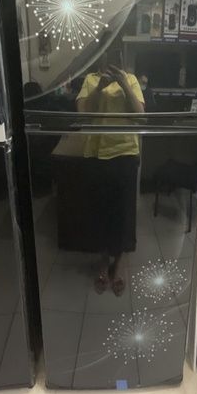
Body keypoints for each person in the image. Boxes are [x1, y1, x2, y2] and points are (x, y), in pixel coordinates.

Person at [76, 51, 144, 296]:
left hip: (125, 152)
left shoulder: (131, 79)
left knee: (124, 213)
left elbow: (140, 116)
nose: (112, 59)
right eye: (108, 54)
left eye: (117, 53)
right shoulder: (90, 80)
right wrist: (99, 88)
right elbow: (83, 113)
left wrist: (124, 83)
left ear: (122, 56)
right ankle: (104, 262)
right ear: (101, 57)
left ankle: (120, 262)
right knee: (100, 211)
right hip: (97, 154)